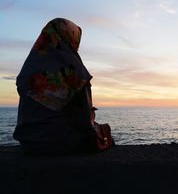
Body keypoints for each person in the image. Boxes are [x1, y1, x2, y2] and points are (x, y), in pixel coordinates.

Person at [13, 18, 113, 154]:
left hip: (28, 143)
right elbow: (84, 124)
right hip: (59, 143)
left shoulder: (28, 71)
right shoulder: (74, 72)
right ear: (70, 38)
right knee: (104, 130)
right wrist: (91, 114)